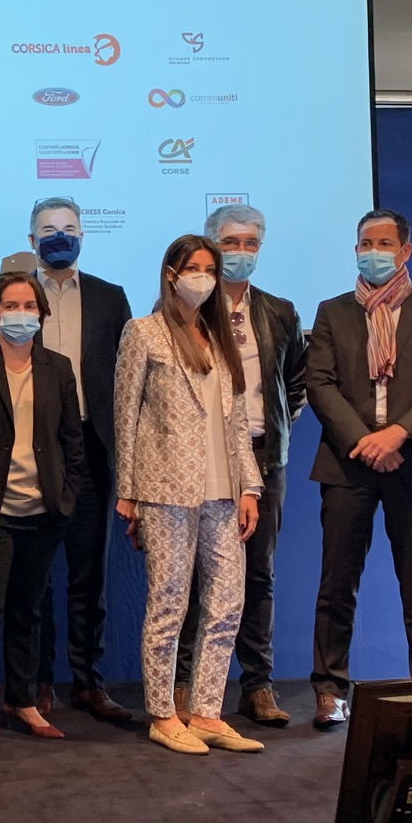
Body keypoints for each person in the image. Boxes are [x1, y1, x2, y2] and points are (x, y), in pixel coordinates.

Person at [304, 208, 412, 730]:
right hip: (348, 461)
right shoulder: (332, 311)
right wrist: (365, 441)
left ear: (405, 250)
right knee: (337, 581)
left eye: (384, 243)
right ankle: (330, 691)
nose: (373, 252)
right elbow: (319, 384)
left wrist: (398, 435)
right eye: (365, 243)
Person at [113, 236, 266, 756]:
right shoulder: (143, 332)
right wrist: (128, 491)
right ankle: (162, 714)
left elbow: (238, 422)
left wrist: (250, 487)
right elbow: (126, 415)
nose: (203, 277)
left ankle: (206, 712)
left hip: (224, 492)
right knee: (169, 602)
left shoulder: (221, 338)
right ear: (171, 274)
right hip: (165, 490)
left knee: (226, 603)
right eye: (193, 268)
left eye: (210, 269)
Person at [174, 203, 306, 729]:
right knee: (191, 575)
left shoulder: (279, 311)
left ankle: (257, 686)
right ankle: (184, 685)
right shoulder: (182, 311)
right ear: (210, 246)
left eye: (250, 243)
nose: (241, 252)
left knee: (258, 574)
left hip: (263, 458)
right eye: (230, 242)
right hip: (199, 460)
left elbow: (295, 383)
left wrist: (266, 432)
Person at [0, 272, 85, 756]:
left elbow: (71, 441)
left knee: (28, 611)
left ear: (42, 312)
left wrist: (66, 498)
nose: (21, 314)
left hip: (44, 511)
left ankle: (22, 700)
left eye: (29, 305)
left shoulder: (57, 367)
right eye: (11, 306)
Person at [26, 197, 134, 725]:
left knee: (89, 575)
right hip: (31, 449)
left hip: (92, 448)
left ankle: (88, 682)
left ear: (83, 235)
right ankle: (38, 682)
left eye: (69, 228)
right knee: (35, 577)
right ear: (32, 241)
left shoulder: (111, 297)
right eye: (49, 229)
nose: (60, 237)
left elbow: (130, 377)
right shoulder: (13, 297)